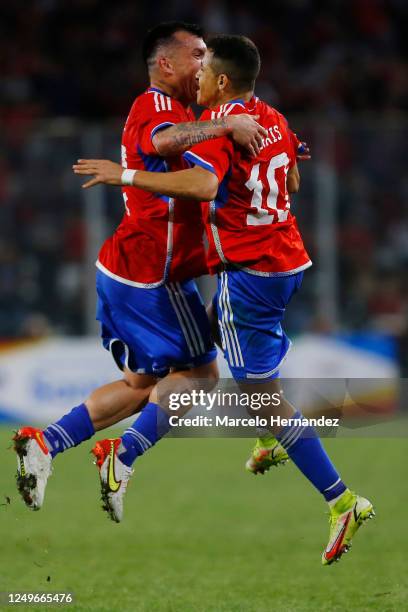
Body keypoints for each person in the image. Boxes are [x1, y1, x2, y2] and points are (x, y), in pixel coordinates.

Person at [74, 34, 374, 565]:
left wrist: (123, 174)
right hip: (286, 260)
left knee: (249, 390)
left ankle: (341, 500)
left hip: (250, 274)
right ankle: (253, 440)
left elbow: (204, 185)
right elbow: (295, 175)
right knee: (206, 360)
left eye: (205, 69)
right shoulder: (273, 117)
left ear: (222, 82)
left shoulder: (224, 130)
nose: (199, 78)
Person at [13, 22, 268, 519]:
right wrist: (225, 126)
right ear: (167, 64)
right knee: (200, 373)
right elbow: (170, 142)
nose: (205, 62)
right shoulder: (157, 106)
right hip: (154, 271)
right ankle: (121, 456)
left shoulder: (181, 110)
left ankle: (43, 444)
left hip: (132, 267)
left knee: (141, 386)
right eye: (197, 54)